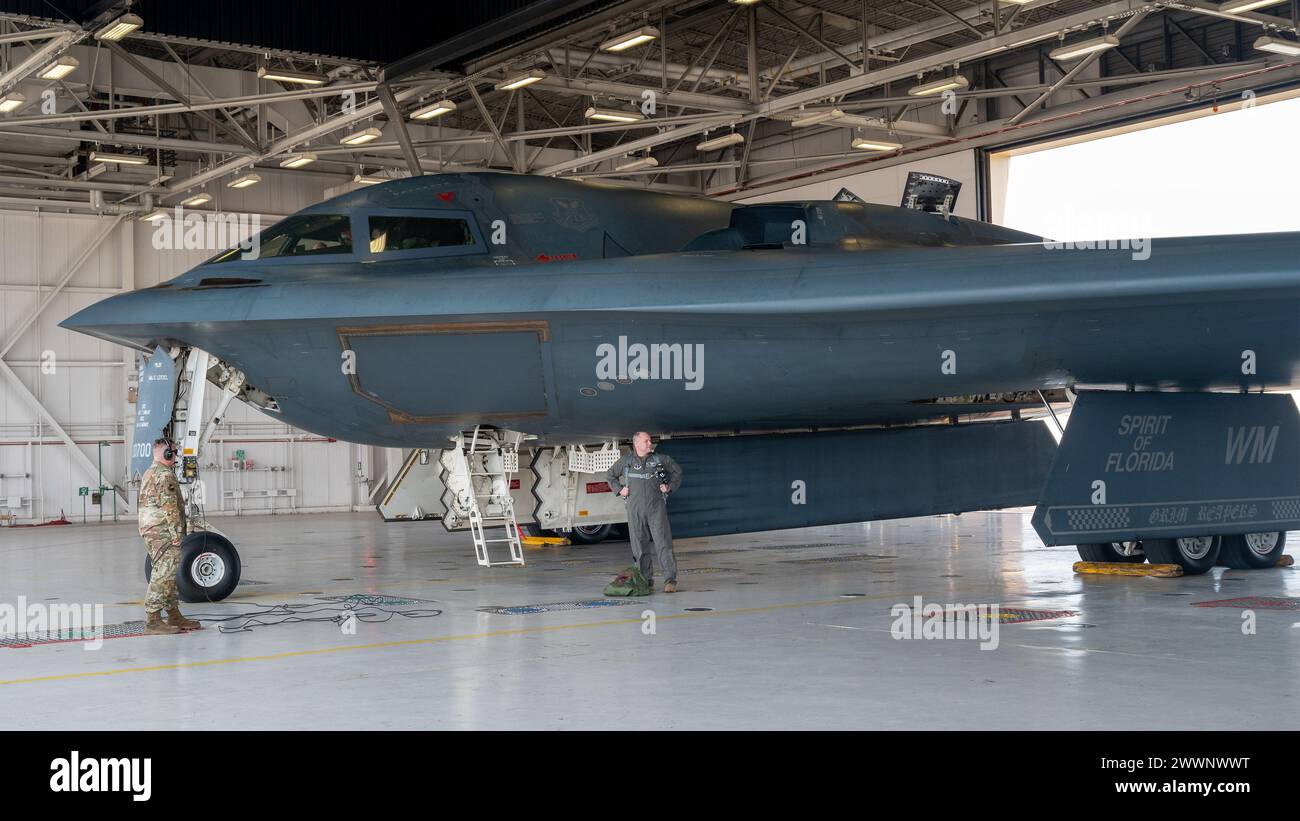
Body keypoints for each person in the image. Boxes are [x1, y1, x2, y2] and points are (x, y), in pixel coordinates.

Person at [138, 438, 202, 635]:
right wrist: (177, 535)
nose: (176, 457)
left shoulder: (151, 472)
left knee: (168, 572)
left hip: (152, 529)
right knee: (164, 572)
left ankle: (173, 614)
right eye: (174, 452)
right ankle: (153, 619)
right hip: (162, 530)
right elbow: (170, 508)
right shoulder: (164, 475)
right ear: (167, 454)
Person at [606, 432, 684, 593]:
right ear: (637, 444)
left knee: (663, 544)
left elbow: (677, 471)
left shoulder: (660, 460)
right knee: (639, 546)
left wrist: (669, 487)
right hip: (635, 510)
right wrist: (620, 490)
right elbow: (610, 475)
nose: (650, 443)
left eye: (650, 440)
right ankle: (645, 580)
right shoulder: (626, 462)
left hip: (656, 509)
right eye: (646, 441)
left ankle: (670, 580)